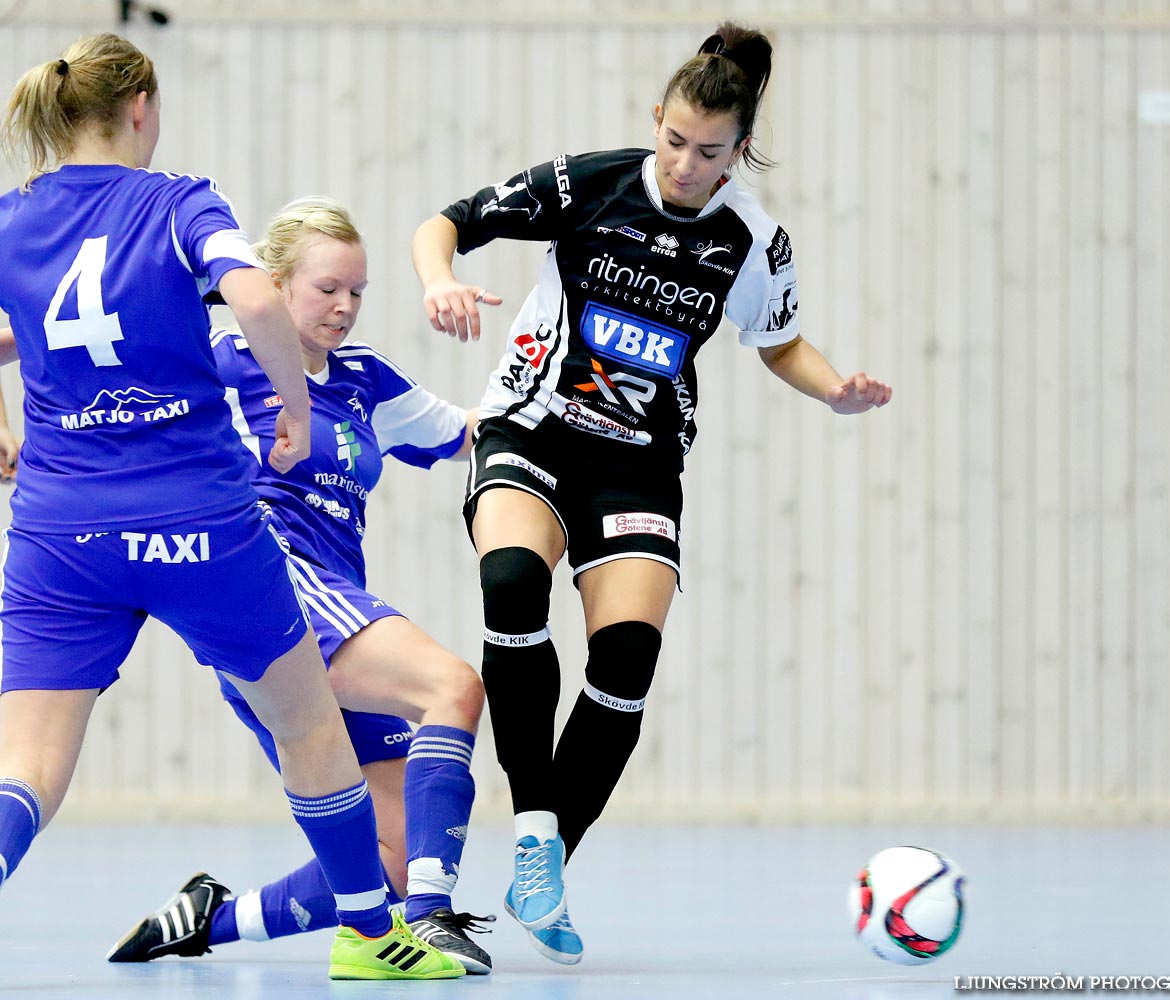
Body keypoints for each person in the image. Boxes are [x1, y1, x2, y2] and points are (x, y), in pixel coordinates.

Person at [412, 21, 892, 965]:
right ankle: (534, 817)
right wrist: (441, 282)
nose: (681, 163)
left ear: (738, 149)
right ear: (656, 122)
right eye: (672, 140)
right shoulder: (591, 183)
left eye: (707, 151)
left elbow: (779, 340)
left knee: (624, 660)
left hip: (638, 466)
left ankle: (543, 855)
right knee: (512, 588)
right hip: (531, 428)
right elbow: (448, 223)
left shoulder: (751, 237)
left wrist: (833, 387)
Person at [0, 34, 462, 981]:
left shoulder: (13, 217)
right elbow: (252, 299)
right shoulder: (177, 198)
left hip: (59, 528)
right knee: (307, 726)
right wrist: (293, 407)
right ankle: (376, 939)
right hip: (198, 523)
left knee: (28, 772)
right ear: (142, 109)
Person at [106, 196, 494, 973]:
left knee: (383, 856)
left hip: (333, 600)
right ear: (274, 285)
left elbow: (470, 434)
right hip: (271, 585)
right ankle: (432, 916)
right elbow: (110, 403)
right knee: (452, 687)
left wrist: (556, 380)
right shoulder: (219, 355)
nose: (344, 307)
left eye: (357, 291)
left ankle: (207, 920)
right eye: (326, 289)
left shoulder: (364, 380)